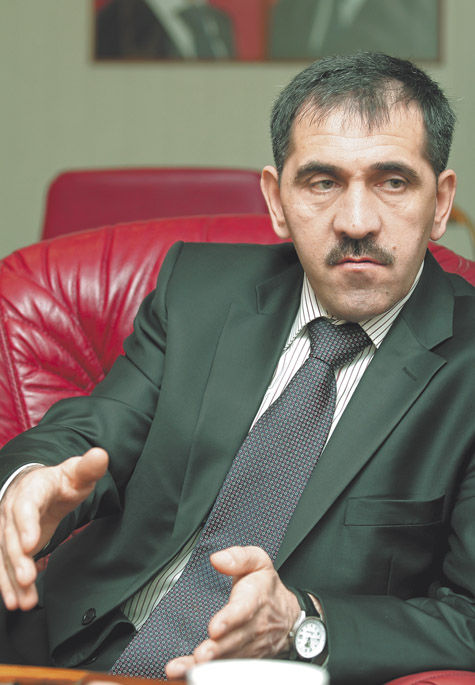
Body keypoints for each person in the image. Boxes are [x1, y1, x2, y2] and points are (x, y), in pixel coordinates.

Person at [0, 52, 474, 685]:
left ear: (440, 202)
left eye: (393, 181)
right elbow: (94, 433)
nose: (357, 222)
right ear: (277, 200)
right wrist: (26, 483)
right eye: (322, 182)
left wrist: (304, 624)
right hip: (68, 650)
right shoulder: (198, 292)